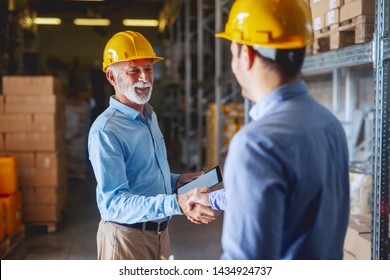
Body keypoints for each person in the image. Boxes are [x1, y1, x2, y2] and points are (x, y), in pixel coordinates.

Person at [188, 0, 350, 259]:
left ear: (246, 55)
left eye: (232, 52)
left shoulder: (255, 144)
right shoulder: (329, 125)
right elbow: (284, 196)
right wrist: (214, 200)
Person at [88, 30, 217, 260]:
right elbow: (114, 203)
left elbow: (143, 175)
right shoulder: (106, 131)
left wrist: (176, 180)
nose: (145, 78)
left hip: (159, 234)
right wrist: (177, 203)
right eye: (133, 71)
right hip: (126, 239)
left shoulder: (149, 115)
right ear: (111, 77)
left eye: (148, 69)